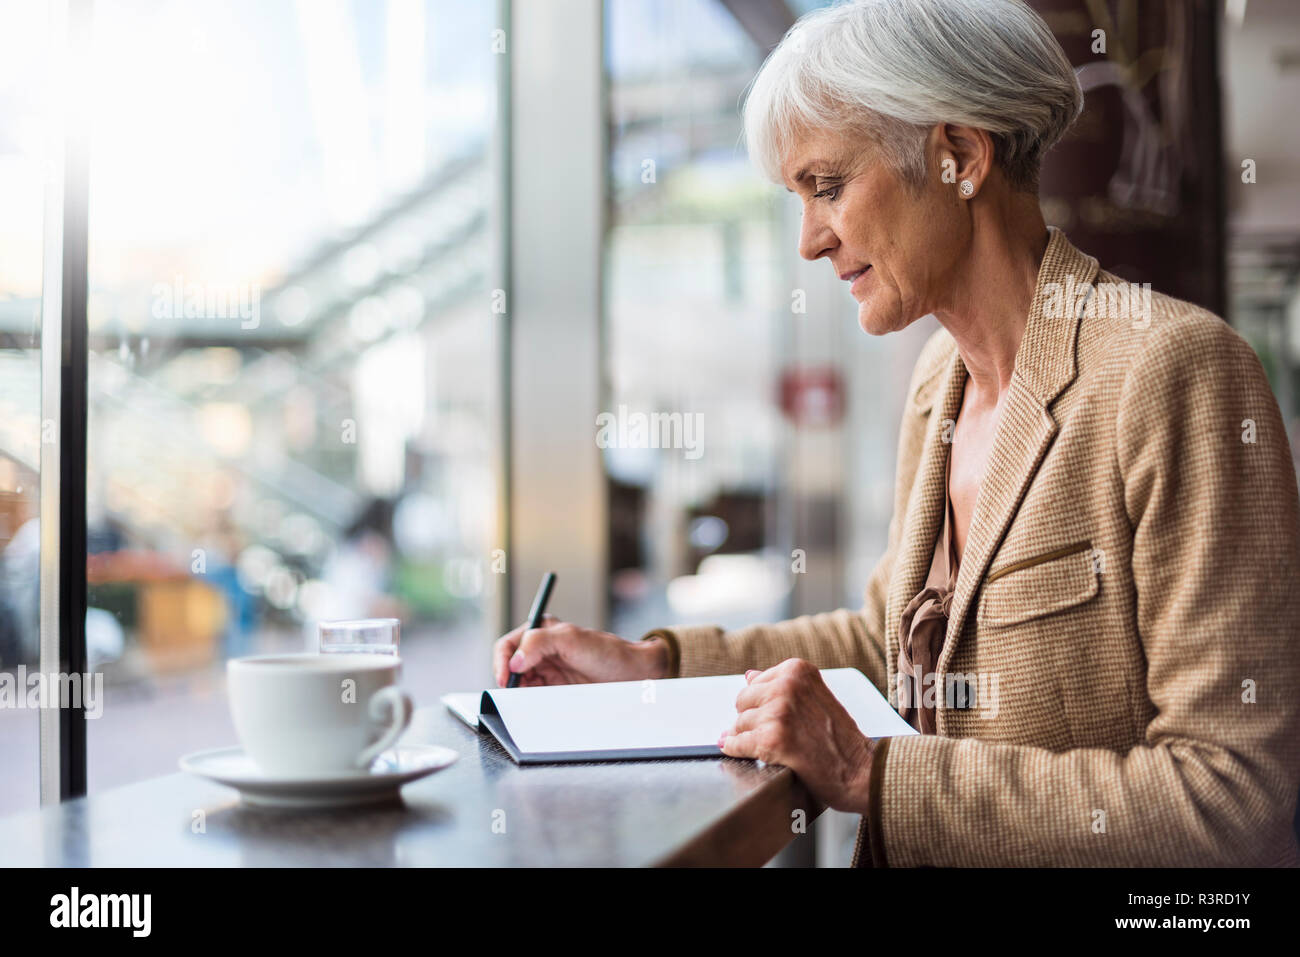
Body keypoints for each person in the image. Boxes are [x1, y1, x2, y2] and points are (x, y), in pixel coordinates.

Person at [493, 0, 1300, 867]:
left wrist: (874, 775)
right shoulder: (937, 386)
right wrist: (654, 669)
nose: (809, 240)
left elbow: (1230, 794)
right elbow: (886, 647)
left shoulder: (1174, 372)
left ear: (957, 157)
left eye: (828, 186)